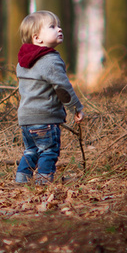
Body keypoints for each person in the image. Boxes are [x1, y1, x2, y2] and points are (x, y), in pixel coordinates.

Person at [14, 10, 82, 184]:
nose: (59, 29)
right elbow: (63, 88)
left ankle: (22, 179)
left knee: (31, 151)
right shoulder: (50, 60)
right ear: (37, 38)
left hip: (25, 118)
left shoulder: (23, 62)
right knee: (49, 151)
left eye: (59, 26)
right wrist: (76, 108)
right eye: (52, 27)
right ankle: (44, 181)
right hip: (45, 117)